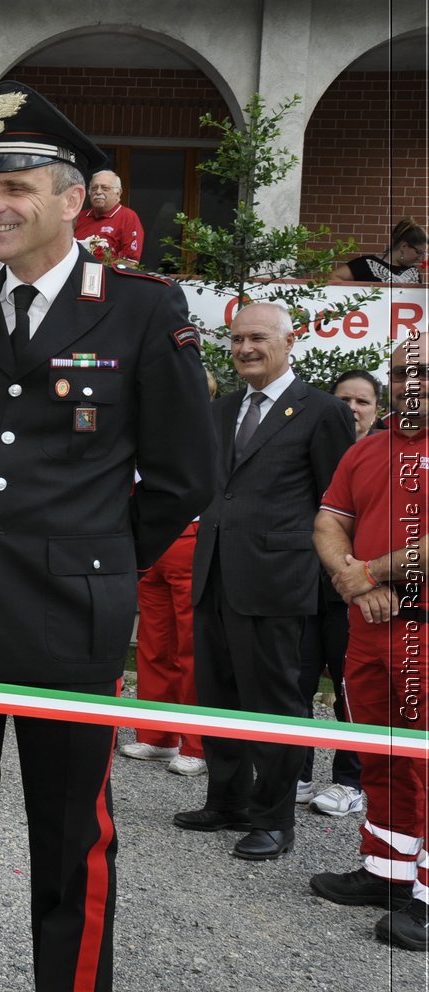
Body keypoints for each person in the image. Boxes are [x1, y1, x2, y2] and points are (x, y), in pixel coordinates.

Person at [0, 82, 215, 992]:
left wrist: (96, 562)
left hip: (66, 619)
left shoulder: (138, 311)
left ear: (73, 201)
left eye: (17, 185)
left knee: (69, 846)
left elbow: (181, 476)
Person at [173, 302, 354, 861]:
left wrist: (336, 579)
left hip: (278, 581)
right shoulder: (223, 408)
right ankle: (226, 800)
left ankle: (274, 818)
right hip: (215, 575)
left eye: (257, 338)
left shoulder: (322, 411)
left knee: (274, 703)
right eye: (235, 340)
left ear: (289, 340)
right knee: (219, 694)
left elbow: (337, 503)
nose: (245, 349)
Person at [310, 333, 429, 950]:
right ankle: (387, 873)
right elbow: (330, 522)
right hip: (370, 625)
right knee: (380, 754)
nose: (413, 385)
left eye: (425, 374)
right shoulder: (371, 449)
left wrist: (371, 571)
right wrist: (354, 585)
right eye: (403, 375)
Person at [121, 366, 219, 776]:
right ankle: (157, 735)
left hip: (193, 537)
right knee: (153, 641)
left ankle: (196, 742)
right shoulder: (146, 422)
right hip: (151, 541)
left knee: (191, 645)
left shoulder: (210, 429)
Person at [295, 369, 383, 815]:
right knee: (298, 682)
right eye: (343, 399)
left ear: (377, 410)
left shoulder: (391, 456)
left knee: (352, 691)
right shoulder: (310, 443)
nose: (352, 409)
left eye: (362, 401)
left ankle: (350, 780)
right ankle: (300, 772)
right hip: (307, 585)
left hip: (361, 592)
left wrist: (362, 578)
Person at [74, 170, 145, 265]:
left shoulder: (127, 217)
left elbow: (130, 262)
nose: (98, 192)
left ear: (118, 193)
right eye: (94, 188)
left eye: (105, 188)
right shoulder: (78, 217)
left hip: (108, 278)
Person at [330, 218, 425, 284]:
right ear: (404, 246)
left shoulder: (414, 272)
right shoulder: (365, 264)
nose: (421, 259)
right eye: (419, 252)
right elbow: (334, 277)